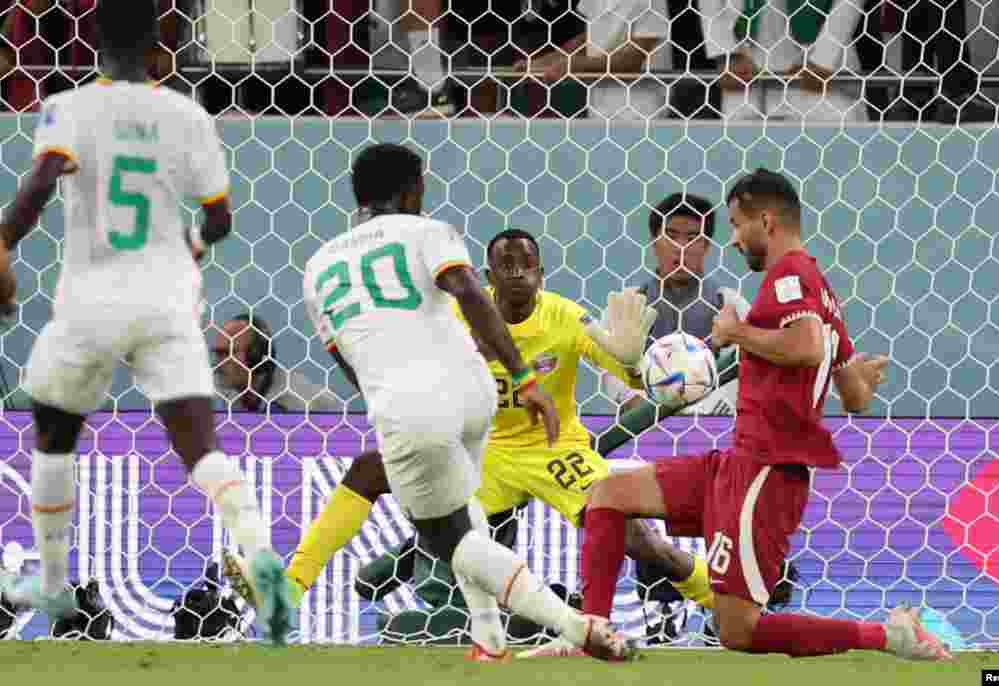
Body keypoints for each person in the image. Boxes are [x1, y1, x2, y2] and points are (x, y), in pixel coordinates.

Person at [226, 143, 646, 661]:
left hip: (411, 404)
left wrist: (389, 403)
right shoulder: (429, 232)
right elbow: (471, 293)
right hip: (473, 390)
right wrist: (523, 376)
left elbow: (345, 357)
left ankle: (580, 629)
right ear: (412, 190)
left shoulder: (319, 267)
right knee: (462, 515)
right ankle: (489, 638)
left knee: (455, 541)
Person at [0, 0, 292, 645]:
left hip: (91, 299)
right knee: (202, 449)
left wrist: (3, 241)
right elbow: (220, 220)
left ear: (93, 41)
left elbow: (42, 183)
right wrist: (186, 244)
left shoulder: (72, 108)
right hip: (167, 299)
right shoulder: (186, 114)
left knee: (53, 436)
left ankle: (52, 582)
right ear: (162, 45)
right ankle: (262, 558)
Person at [578, 168, 953, 660]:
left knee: (739, 630)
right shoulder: (820, 289)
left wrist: (736, 333)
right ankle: (590, 633)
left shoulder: (790, 274)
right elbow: (855, 395)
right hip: (738, 462)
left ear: (767, 220)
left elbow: (804, 346)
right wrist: (862, 376)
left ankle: (890, 636)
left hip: (766, 474)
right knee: (608, 493)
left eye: (736, 224)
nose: (732, 239)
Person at [603, 193, 748, 414]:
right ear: (654, 241)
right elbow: (607, 365)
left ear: (706, 246)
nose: (681, 247)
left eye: (692, 238)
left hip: (710, 425)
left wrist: (712, 407)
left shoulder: (728, 303)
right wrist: (633, 402)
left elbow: (747, 367)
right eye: (671, 236)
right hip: (642, 427)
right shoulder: (630, 301)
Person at [701, 0, 868, 121]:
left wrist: (825, 57)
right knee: (745, 157)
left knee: (833, 151)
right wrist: (725, 51)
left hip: (818, 52)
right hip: (744, 55)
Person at [512, 0, 671, 119]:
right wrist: (542, 62)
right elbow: (588, 40)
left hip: (641, 108)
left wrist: (575, 65)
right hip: (599, 105)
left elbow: (632, 60)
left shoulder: (653, 2)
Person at [211, 313, 343, 413]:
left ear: (255, 358)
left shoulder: (296, 401)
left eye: (227, 353)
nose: (218, 363)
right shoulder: (228, 389)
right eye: (217, 353)